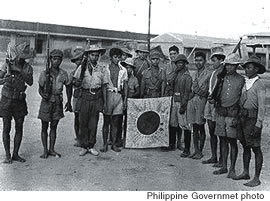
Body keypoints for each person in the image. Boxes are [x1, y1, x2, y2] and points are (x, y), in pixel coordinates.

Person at [233, 56, 266, 187]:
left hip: (253, 119)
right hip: (243, 118)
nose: (246, 70)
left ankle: (256, 178)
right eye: (245, 67)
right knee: (245, 146)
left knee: (256, 148)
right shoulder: (245, 83)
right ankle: (245, 172)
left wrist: (258, 124)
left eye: (250, 67)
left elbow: (262, 107)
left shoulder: (259, 84)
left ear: (256, 69)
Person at [212, 53, 245, 178]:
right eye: (227, 65)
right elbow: (216, 93)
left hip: (233, 113)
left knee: (232, 141)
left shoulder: (241, 80)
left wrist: (238, 115)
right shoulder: (221, 78)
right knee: (222, 139)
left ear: (236, 66)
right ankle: (224, 166)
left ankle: (232, 169)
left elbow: (242, 99)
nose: (229, 67)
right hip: (221, 112)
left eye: (232, 65)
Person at [0, 42, 33, 163]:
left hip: (19, 99)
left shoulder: (27, 67)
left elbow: (30, 82)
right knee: (6, 127)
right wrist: (5, 79)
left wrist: (19, 70)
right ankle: (8, 155)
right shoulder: (7, 64)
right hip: (7, 99)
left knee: (19, 127)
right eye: (21, 56)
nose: (22, 59)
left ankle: (15, 154)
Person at [73, 44, 108, 156]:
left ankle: (91, 145)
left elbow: (104, 86)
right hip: (84, 96)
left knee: (93, 122)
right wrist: (78, 82)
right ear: (88, 55)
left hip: (96, 97)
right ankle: (84, 146)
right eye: (92, 55)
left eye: (97, 55)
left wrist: (105, 102)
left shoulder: (102, 69)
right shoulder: (81, 68)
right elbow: (75, 82)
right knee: (83, 122)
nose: (95, 57)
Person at [38, 49, 69, 159]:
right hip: (46, 102)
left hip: (57, 101)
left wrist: (69, 101)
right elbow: (40, 88)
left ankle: (52, 149)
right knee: (44, 126)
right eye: (54, 58)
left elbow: (68, 86)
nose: (56, 61)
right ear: (50, 60)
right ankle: (45, 150)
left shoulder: (63, 73)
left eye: (59, 59)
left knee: (54, 126)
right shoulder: (44, 73)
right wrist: (43, 95)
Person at [101, 48, 128, 153]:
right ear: (111, 58)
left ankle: (114, 144)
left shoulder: (123, 70)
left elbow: (125, 85)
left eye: (118, 57)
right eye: (115, 57)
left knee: (116, 122)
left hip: (118, 95)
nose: (117, 59)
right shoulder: (105, 69)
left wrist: (125, 99)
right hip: (108, 94)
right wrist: (104, 101)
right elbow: (104, 86)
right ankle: (104, 144)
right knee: (106, 121)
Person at [202, 47, 226, 166]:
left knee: (220, 133)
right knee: (211, 132)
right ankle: (214, 156)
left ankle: (222, 160)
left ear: (221, 60)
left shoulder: (224, 73)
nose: (213, 63)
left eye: (215, 60)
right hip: (209, 103)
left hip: (218, 105)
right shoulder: (213, 73)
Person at [188, 51, 212, 159]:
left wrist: (196, 91)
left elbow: (204, 91)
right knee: (194, 126)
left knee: (201, 126)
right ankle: (196, 150)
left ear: (205, 61)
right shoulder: (193, 74)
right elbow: (192, 90)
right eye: (196, 60)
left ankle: (200, 151)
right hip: (193, 101)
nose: (198, 63)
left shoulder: (208, 74)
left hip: (202, 101)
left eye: (200, 60)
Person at [169, 54, 193, 156]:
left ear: (184, 64)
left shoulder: (187, 76)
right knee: (173, 123)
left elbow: (187, 92)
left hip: (182, 102)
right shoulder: (175, 74)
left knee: (185, 125)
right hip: (174, 100)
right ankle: (172, 144)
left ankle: (187, 149)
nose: (179, 65)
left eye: (181, 63)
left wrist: (183, 105)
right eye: (177, 63)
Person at [164, 45, 184, 150]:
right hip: (169, 95)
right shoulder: (167, 67)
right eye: (170, 54)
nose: (172, 56)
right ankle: (171, 142)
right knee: (171, 121)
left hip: (178, 95)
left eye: (174, 54)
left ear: (178, 53)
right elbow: (165, 80)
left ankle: (179, 142)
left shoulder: (181, 66)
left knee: (179, 120)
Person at [66, 47, 84, 147]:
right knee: (77, 118)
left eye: (81, 59)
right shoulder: (72, 74)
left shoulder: (88, 72)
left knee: (86, 119)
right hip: (77, 97)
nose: (79, 61)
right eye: (77, 60)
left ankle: (85, 137)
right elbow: (68, 87)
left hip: (86, 98)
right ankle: (78, 137)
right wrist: (68, 101)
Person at [119, 58, 140, 147]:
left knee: (129, 121)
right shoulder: (120, 77)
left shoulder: (134, 79)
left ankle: (127, 139)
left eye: (130, 68)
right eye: (126, 67)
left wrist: (131, 96)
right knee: (119, 120)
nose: (128, 70)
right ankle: (117, 139)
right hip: (120, 100)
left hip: (130, 101)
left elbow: (138, 91)